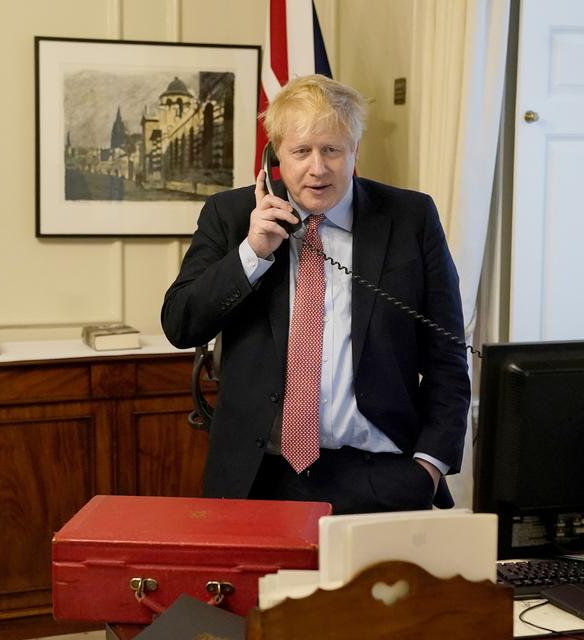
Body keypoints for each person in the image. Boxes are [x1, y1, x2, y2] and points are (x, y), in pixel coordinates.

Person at [161, 74, 470, 514]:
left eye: (332, 150)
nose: (318, 168)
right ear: (275, 157)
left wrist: (429, 465)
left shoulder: (409, 217)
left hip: (383, 475)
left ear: (355, 151)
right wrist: (252, 253)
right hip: (259, 477)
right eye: (301, 151)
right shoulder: (230, 217)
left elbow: (447, 354)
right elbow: (180, 323)